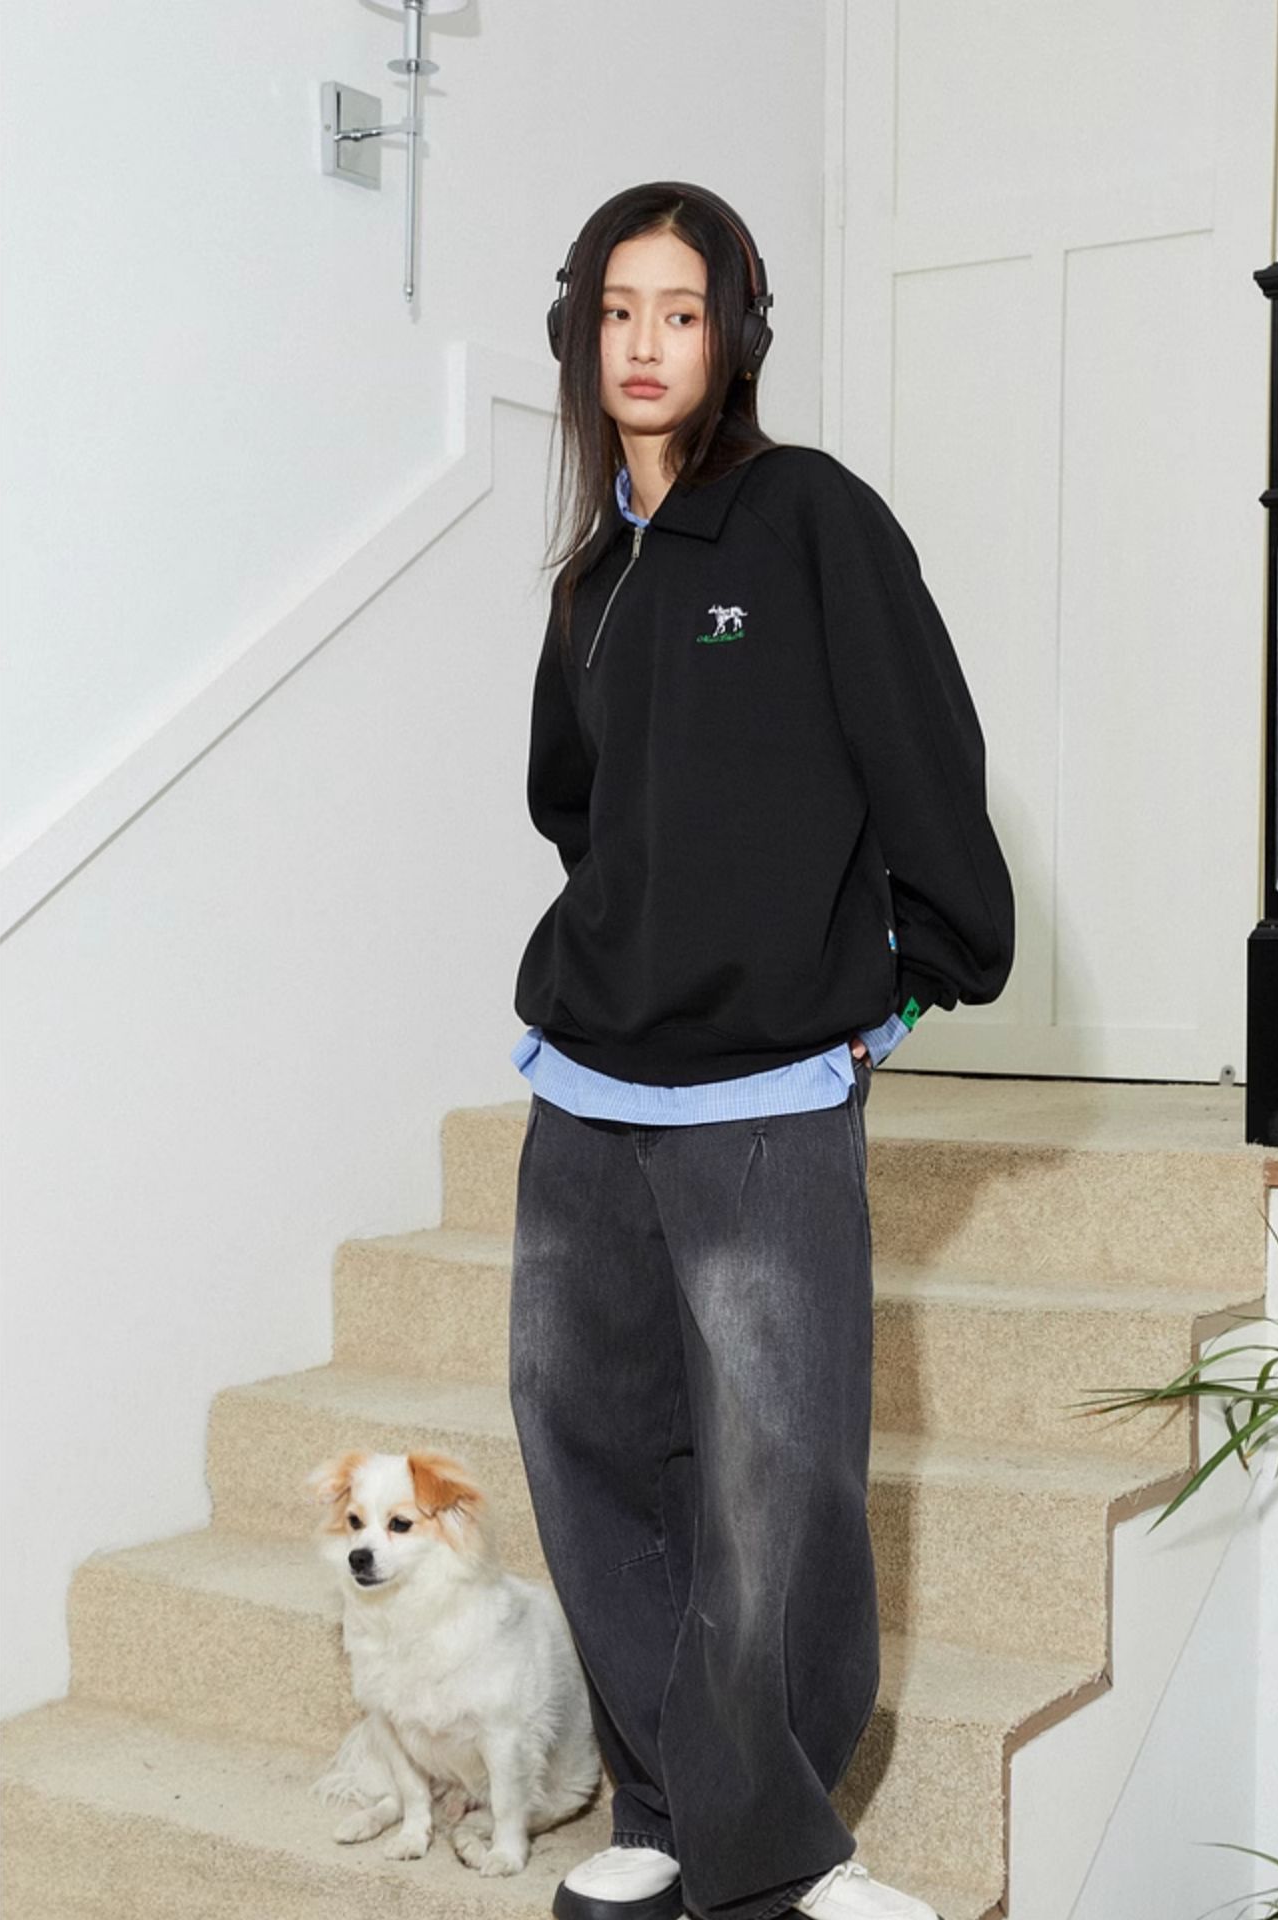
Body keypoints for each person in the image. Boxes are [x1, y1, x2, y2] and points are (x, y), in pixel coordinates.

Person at [506, 181, 1015, 1920]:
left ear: (735, 335)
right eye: (617, 312)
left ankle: (785, 1843)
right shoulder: (591, 575)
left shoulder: (809, 516)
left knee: (774, 1469)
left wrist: (914, 976)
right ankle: (667, 1804)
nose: (646, 344)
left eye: (682, 311)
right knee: (583, 1434)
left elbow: (922, 747)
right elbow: (573, 809)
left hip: (766, 1092)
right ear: (578, 335)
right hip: (586, 1085)